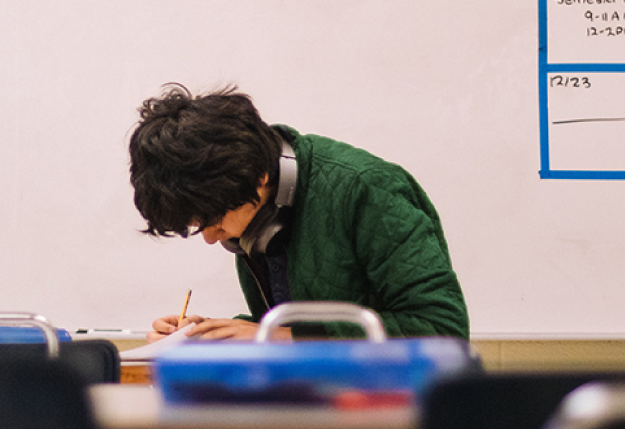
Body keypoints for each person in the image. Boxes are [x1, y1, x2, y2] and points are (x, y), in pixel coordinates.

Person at [128, 84, 468, 342]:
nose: (210, 238)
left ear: (258, 179)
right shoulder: (257, 211)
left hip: (391, 417)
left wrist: (281, 338)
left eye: (213, 221)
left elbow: (442, 330)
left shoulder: (368, 188)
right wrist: (209, 336)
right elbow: (299, 321)